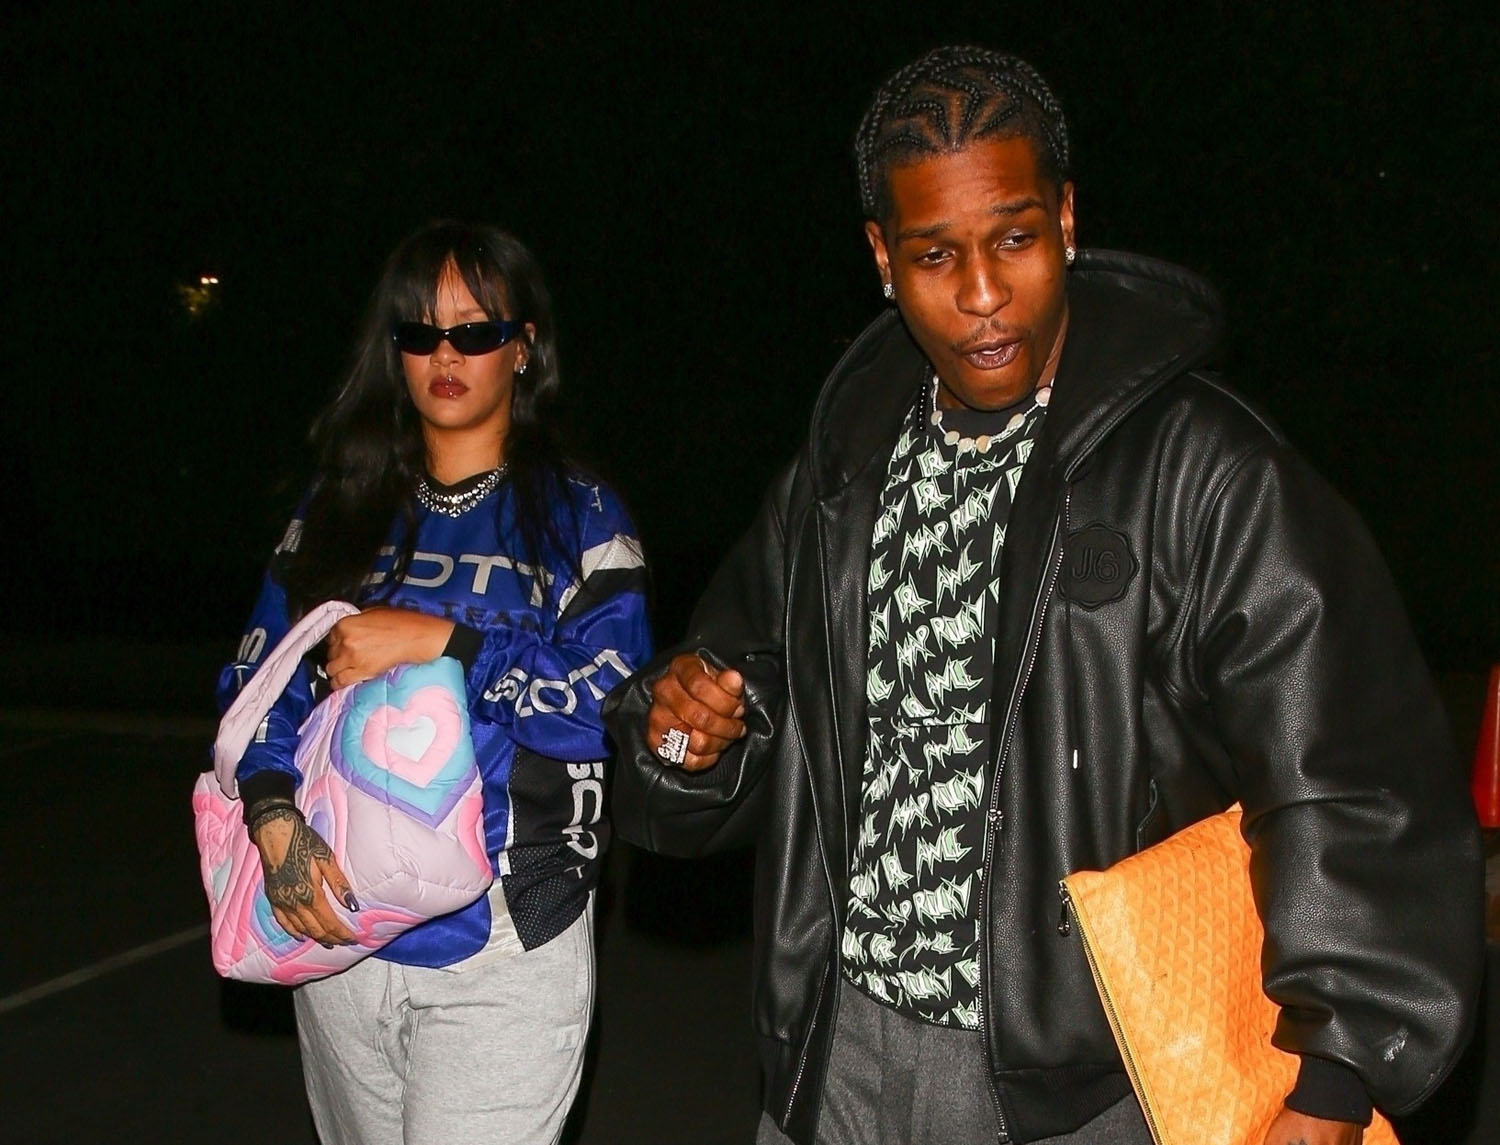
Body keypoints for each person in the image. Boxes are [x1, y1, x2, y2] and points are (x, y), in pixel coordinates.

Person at [604, 46, 1482, 1145]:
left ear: (1066, 220)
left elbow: (1347, 768)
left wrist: (1336, 1073)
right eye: (935, 255)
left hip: (1088, 1084)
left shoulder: (1202, 468)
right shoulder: (841, 469)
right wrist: (687, 736)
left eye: (1013, 238)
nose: (981, 295)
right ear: (882, 257)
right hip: (836, 1058)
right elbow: (738, 704)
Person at [218, 220, 651, 1145]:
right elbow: (258, 677)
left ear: (523, 347)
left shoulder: (580, 516)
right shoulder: (339, 506)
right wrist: (272, 811)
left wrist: (446, 644)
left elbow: (611, 706)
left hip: (506, 931)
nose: (444, 354)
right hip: (338, 922)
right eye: (420, 332)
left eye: (474, 331)